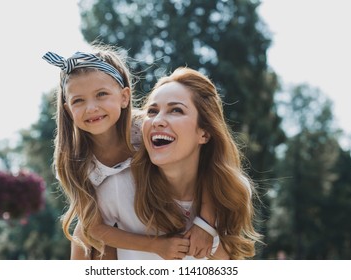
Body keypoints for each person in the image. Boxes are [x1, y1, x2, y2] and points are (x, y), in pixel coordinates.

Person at [42, 45, 215, 260]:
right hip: (117, 230)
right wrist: (156, 246)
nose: (91, 108)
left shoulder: (147, 128)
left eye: (101, 94)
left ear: (124, 97)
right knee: (84, 242)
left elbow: (207, 165)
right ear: (68, 109)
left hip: (160, 208)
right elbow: (94, 227)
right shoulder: (74, 160)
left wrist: (205, 224)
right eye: (79, 100)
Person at [92, 67, 261, 259]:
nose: (157, 121)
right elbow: (85, 232)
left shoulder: (228, 193)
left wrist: (207, 225)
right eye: (152, 111)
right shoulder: (118, 187)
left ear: (204, 133)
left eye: (176, 110)